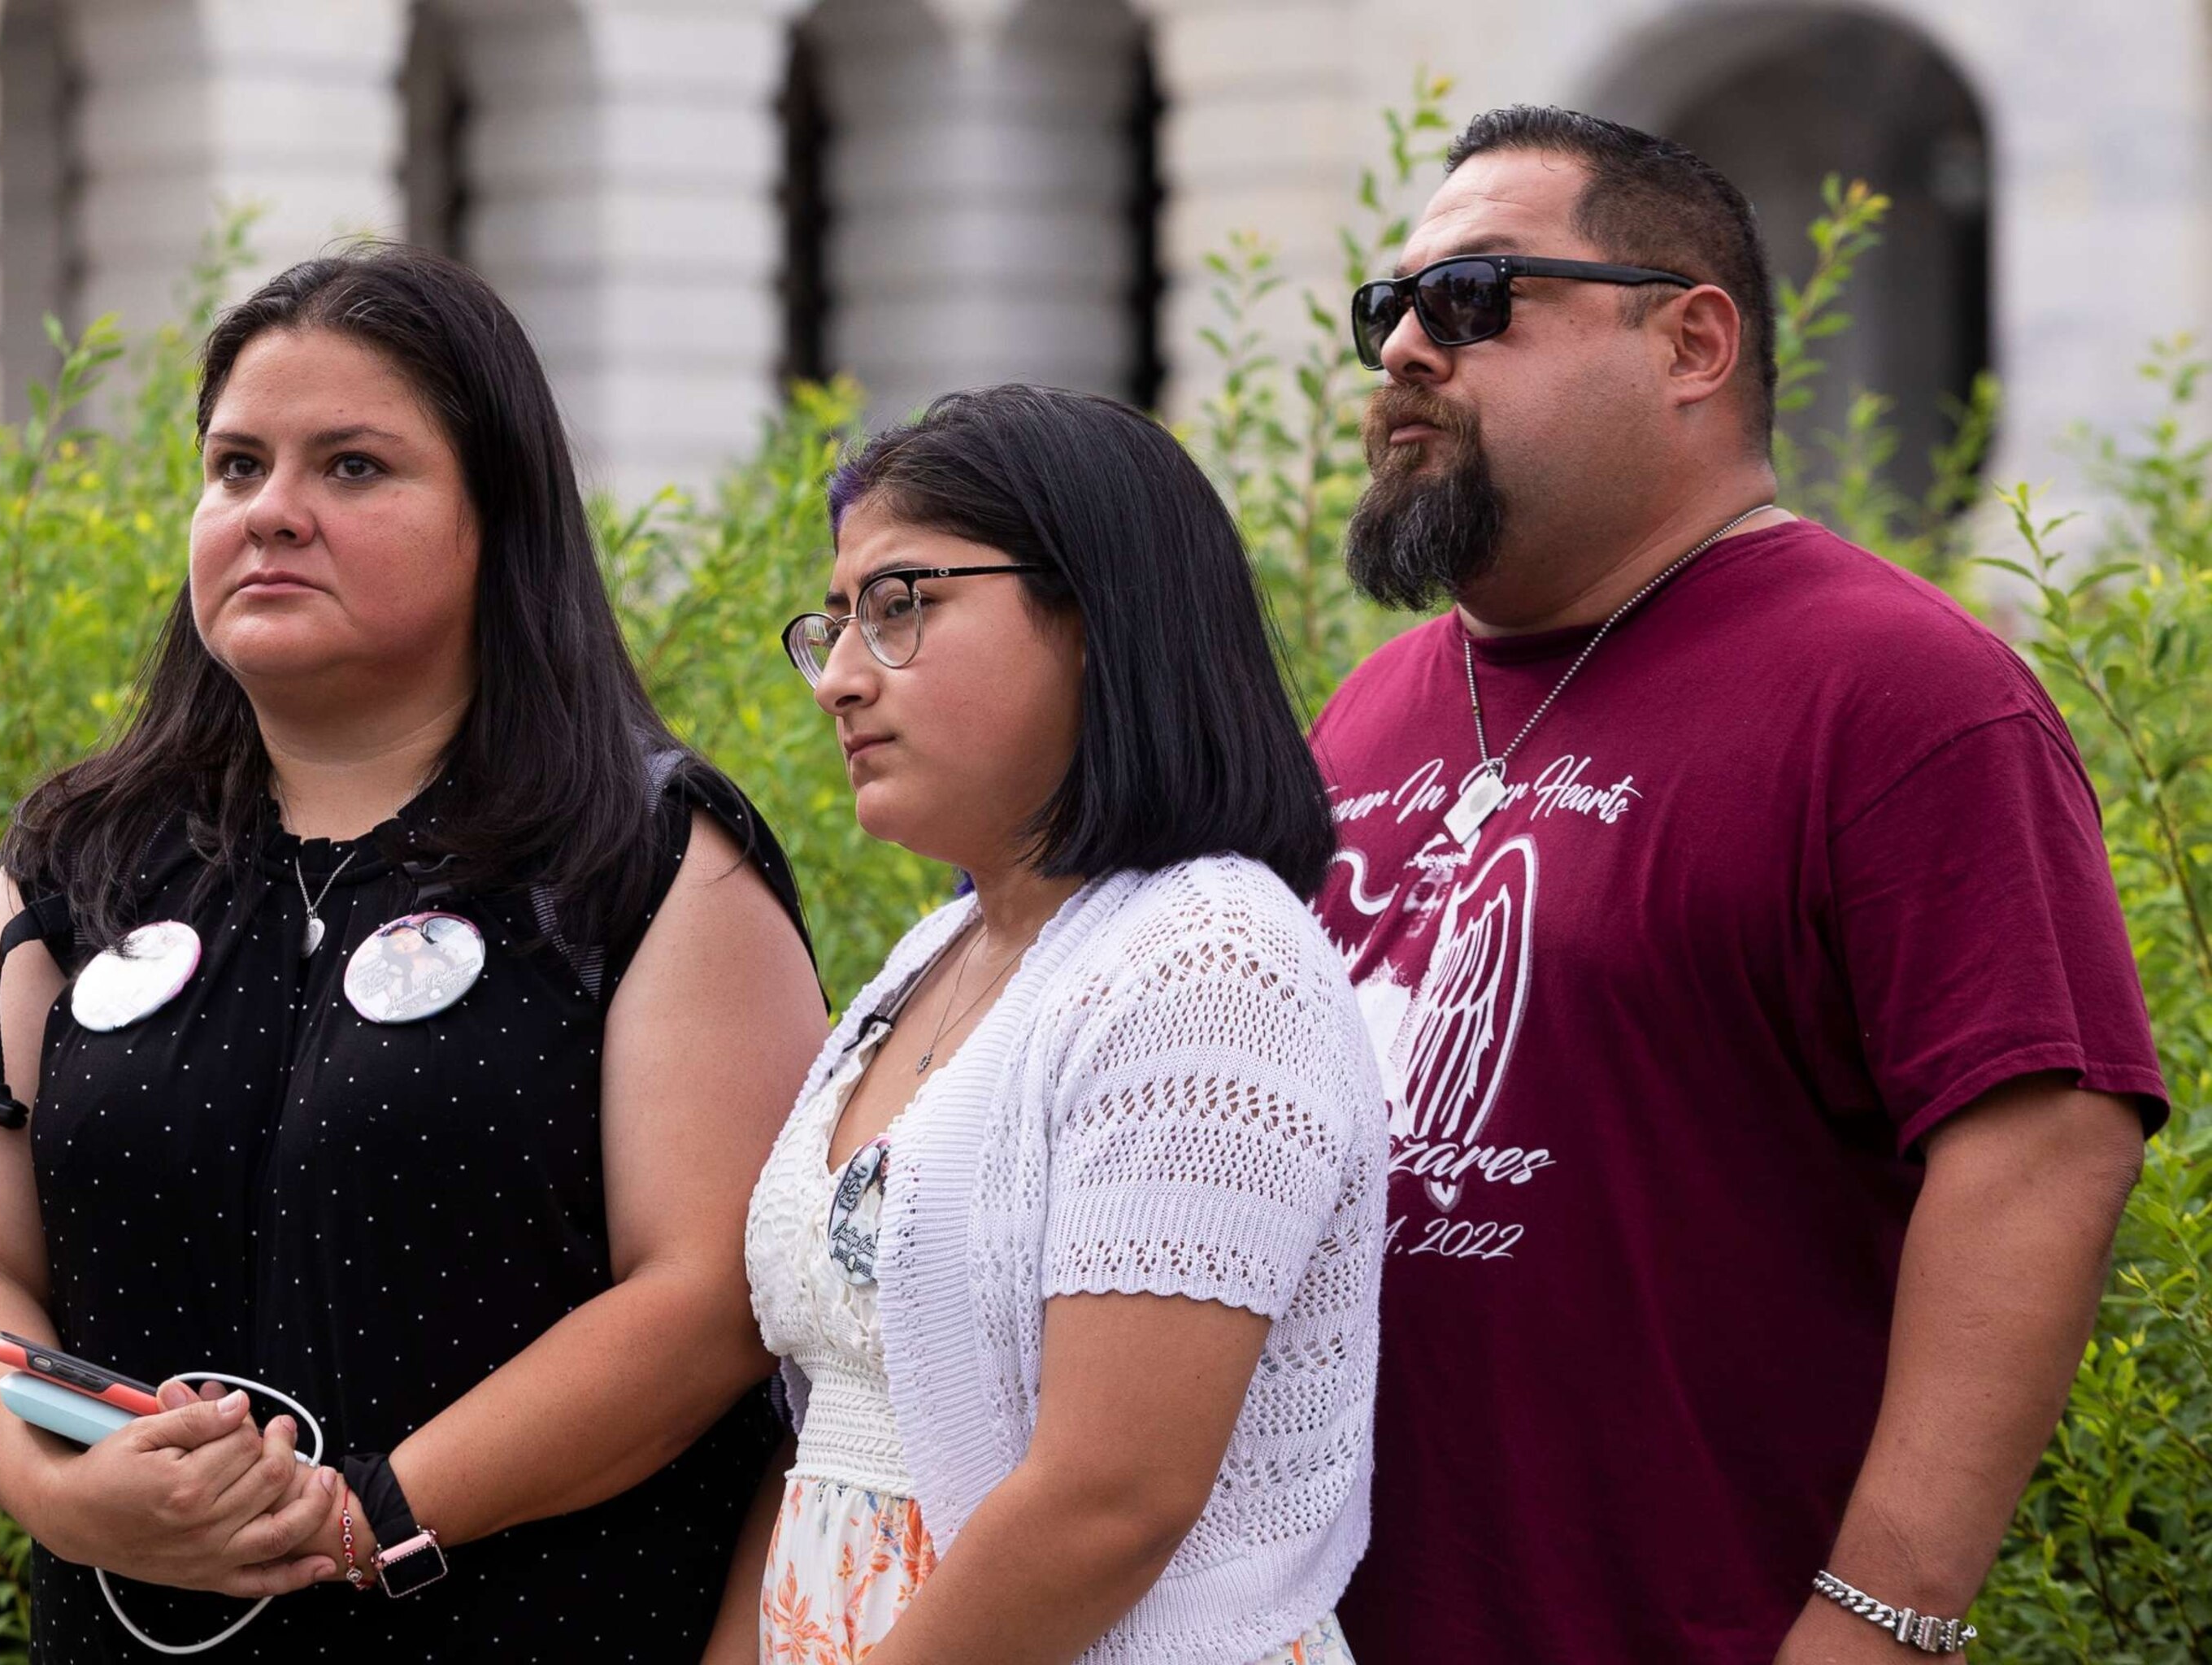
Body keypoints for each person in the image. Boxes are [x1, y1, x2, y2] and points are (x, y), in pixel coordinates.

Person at [1315, 106, 2166, 1663]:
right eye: (1390, 308)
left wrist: (1879, 1626)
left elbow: (2042, 1152)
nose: (1407, 353)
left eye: (1478, 297)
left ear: (1692, 341)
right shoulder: (1367, 716)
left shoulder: (1897, 690)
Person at [0, 244, 827, 1660]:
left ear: (496, 521)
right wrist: (62, 1497)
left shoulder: (649, 860)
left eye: (353, 469)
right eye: (236, 467)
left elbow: (705, 1301)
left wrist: (352, 1521)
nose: (273, 513)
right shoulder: (75, 860)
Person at [707, 384, 1386, 1665]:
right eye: (836, 624)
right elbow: (831, 1428)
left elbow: (1109, 1502)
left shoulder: (1208, 964)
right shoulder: (936, 954)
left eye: (901, 608)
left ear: (1096, 617)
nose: (841, 680)